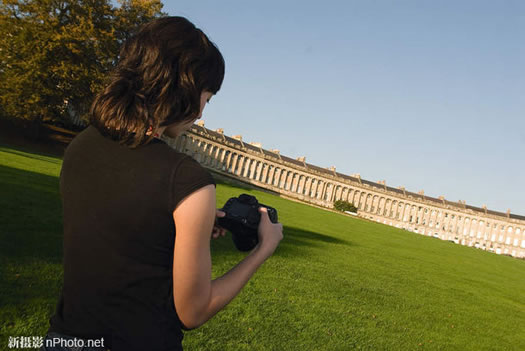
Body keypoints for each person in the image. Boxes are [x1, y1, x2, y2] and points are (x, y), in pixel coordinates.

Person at [41, 16, 283, 351]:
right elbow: (193, 312)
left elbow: (119, 233)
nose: (201, 114)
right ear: (183, 87)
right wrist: (263, 250)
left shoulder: (81, 145)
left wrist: (182, 225)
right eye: (206, 97)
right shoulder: (188, 181)